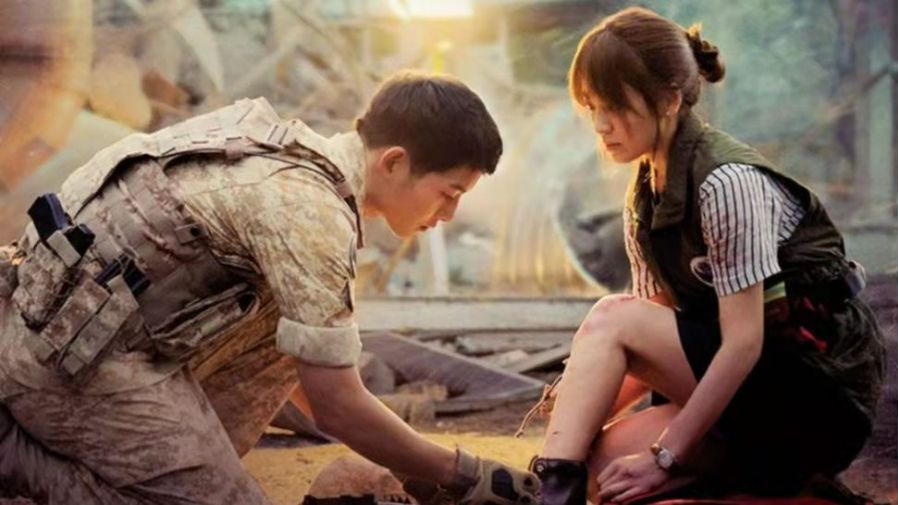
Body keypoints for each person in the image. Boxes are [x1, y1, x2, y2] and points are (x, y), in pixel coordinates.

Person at [0, 71, 539, 505]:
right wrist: (461, 473)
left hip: (94, 337)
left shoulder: (289, 154)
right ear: (394, 162)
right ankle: (12, 449)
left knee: (309, 324)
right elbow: (335, 405)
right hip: (64, 363)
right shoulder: (308, 211)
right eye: (449, 193)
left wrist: (416, 471)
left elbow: (306, 366)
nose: (449, 214)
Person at [527, 7, 886, 505]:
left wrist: (663, 456)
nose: (601, 125)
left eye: (614, 106)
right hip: (747, 400)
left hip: (814, 400)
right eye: (592, 107)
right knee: (602, 474)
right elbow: (651, 331)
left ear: (669, 100)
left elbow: (742, 344)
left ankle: (547, 494)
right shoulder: (646, 193)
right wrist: (578, 405)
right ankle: (776, 490)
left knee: (611, 316)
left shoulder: (726, 182)